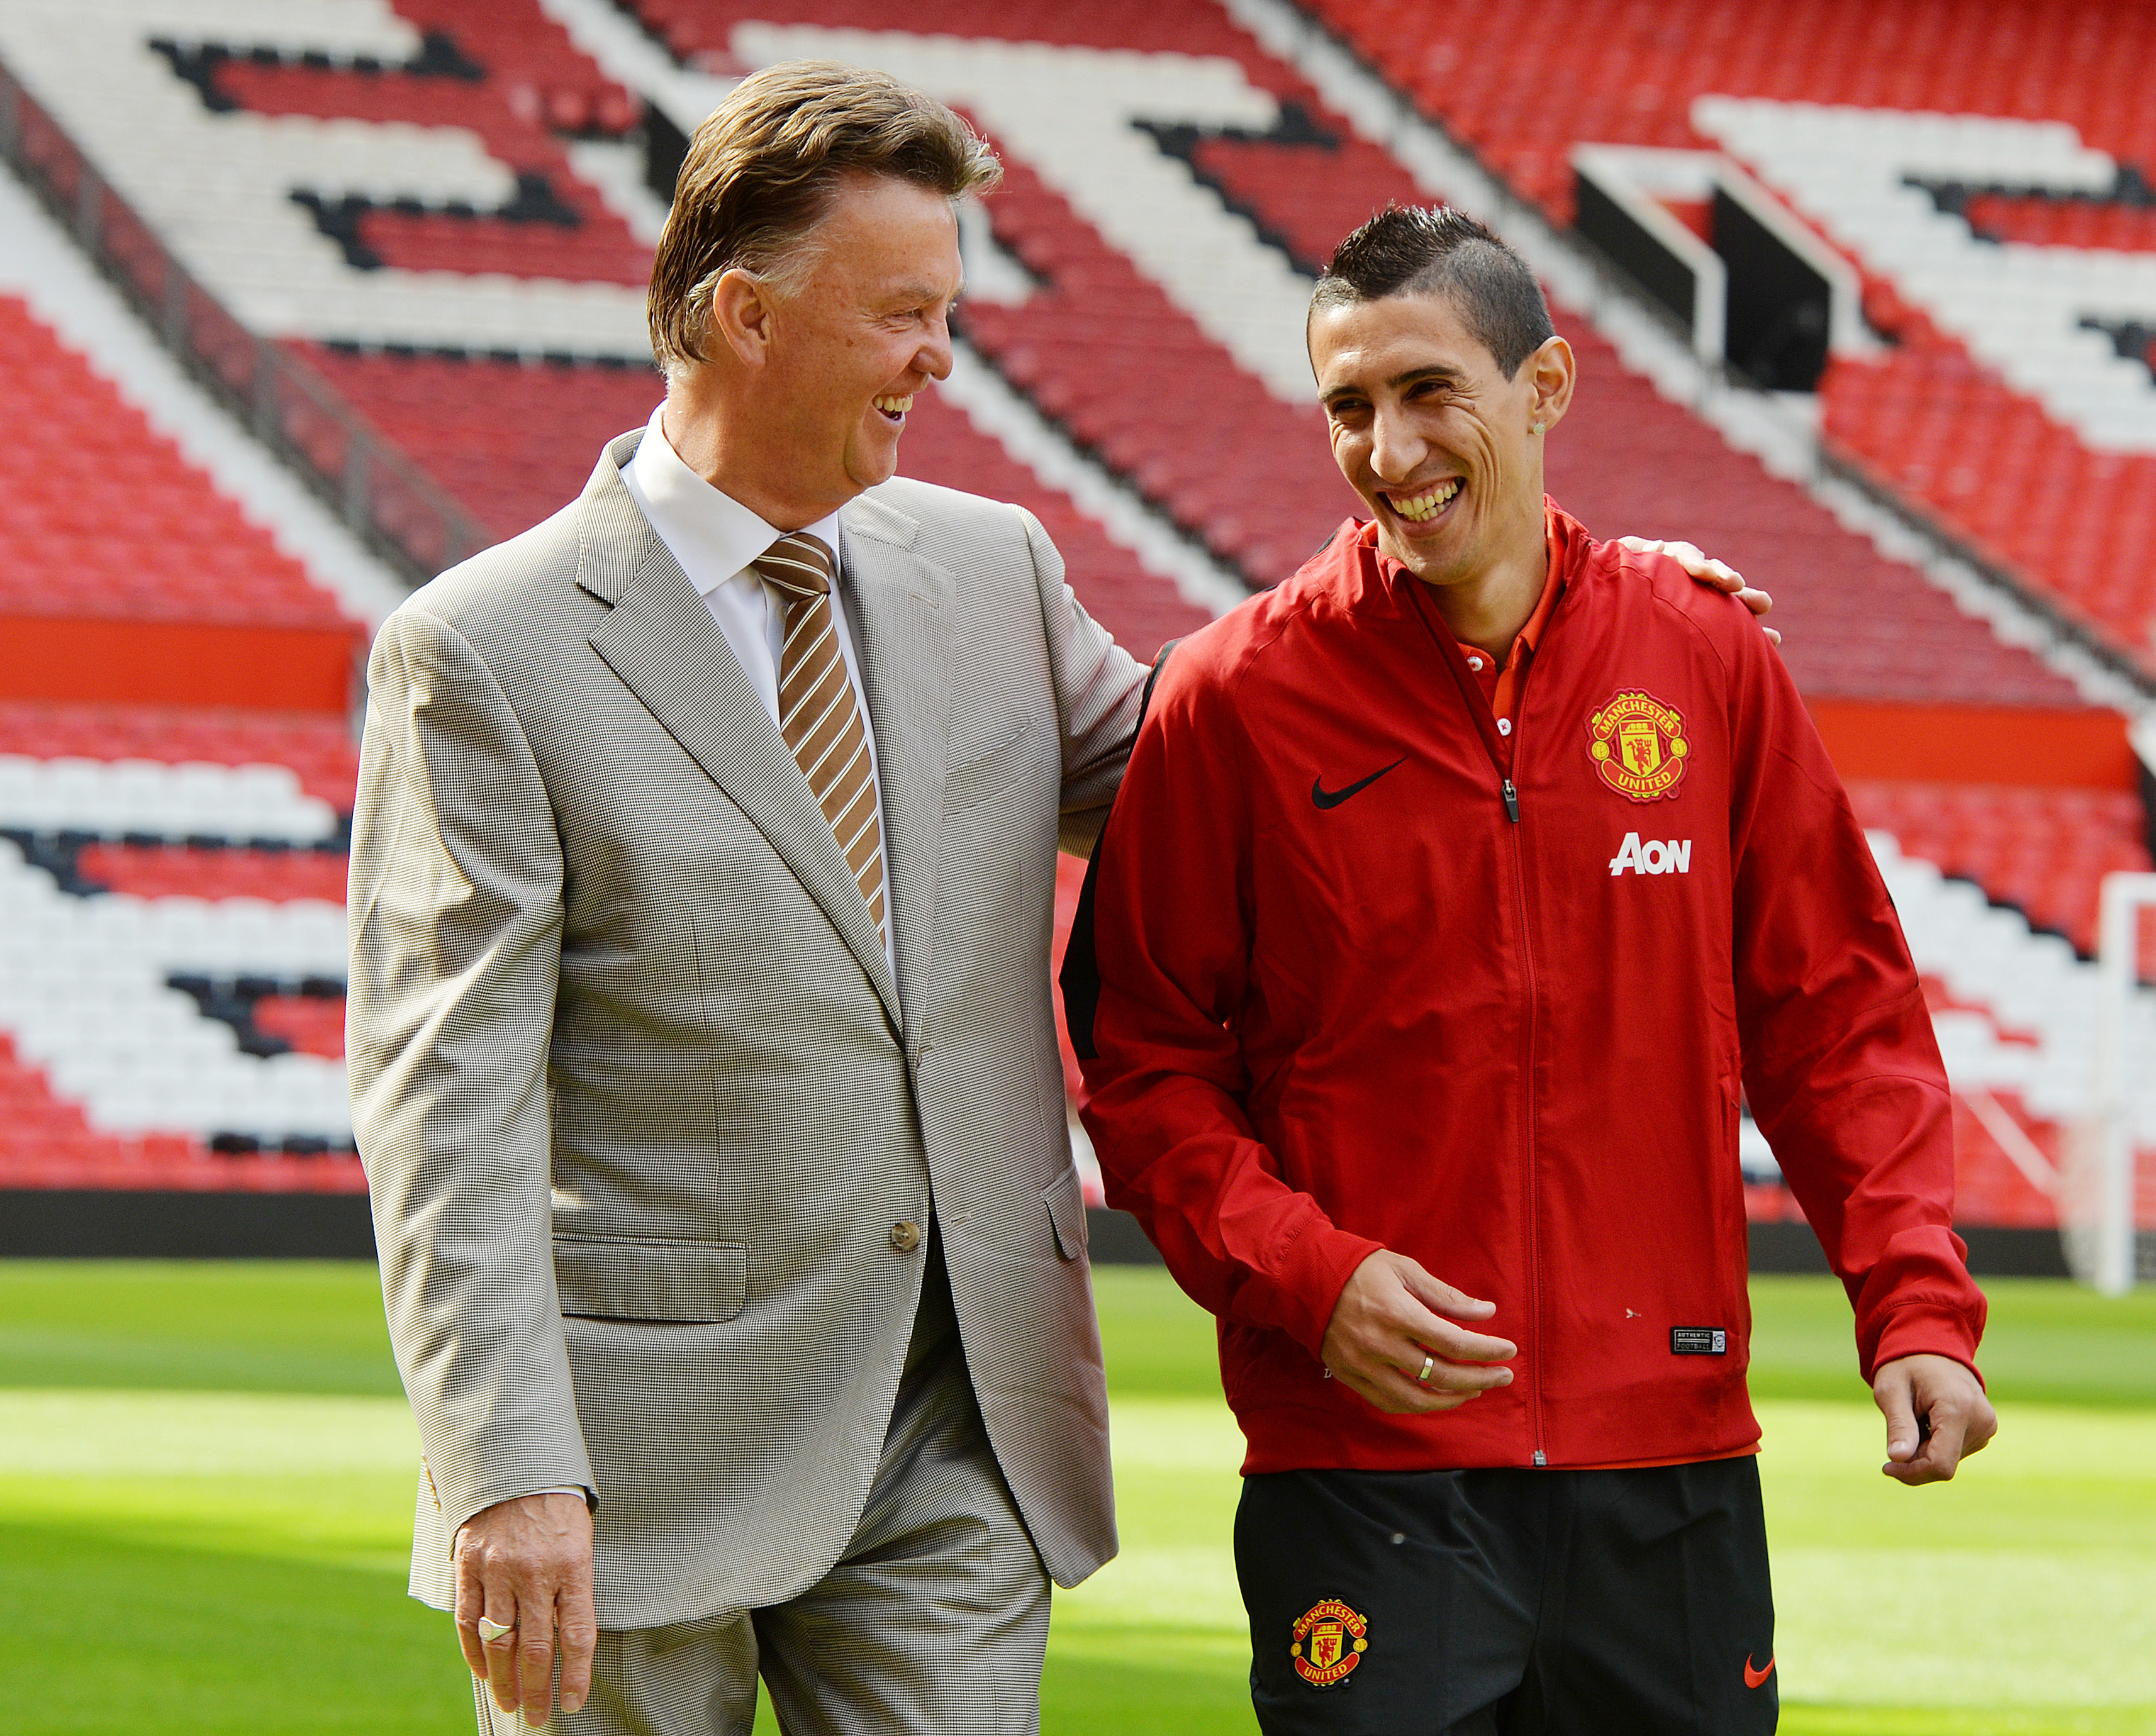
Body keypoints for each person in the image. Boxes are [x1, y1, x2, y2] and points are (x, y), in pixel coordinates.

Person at [349, 58, 1773, 1733]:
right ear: (744, 316)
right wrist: (507, 1468)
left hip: (962, 1427)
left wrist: (1558, 592)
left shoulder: (990, 570)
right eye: (904, 314)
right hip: (645, 1442)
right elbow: (445, 1108)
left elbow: (1255, 752)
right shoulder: (487, 650)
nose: (942, 356)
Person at [1069, 205, 1997, 1736]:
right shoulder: (1229, 697)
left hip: (1669, 1464)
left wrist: (1911, 1309)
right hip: (1367, 1466)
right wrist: (1315, 1279)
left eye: (1429, 390)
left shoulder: (1705, 658)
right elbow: (1143, 1066)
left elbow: (1837, 1020)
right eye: (1347, 408)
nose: (1387, 449)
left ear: (1544, 389)